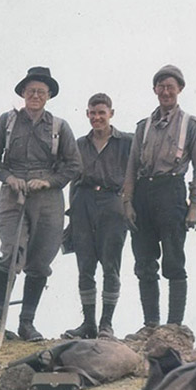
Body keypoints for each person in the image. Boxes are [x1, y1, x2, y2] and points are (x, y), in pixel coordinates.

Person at [0, 66, 82, 344]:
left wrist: (48, 181)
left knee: (41, 260)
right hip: (13, 195)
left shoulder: (60, 127)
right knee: (11, 253)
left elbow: (74, 165)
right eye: (31, 90)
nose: (35, 95)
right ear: (23, 93)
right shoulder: (7, 122)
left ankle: (27, 324)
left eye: (41, 91)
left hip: (48, 199)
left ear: (49, 96)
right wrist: (9, 177)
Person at [121, 65, 196, 337]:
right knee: (144, 261)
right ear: (155, 90)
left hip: (171, 191)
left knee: (173, 259)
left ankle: (173, 326)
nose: (166, 91)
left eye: (171, 86)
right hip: (143, 194)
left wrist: (194, 206)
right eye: (161, 86)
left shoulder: (191, 125)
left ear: (180, 89)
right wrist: (127, 203)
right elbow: (131, 167)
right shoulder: (143, 126)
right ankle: (150, 324)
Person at [61, 93, 134, 340]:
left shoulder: (126, 142)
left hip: (113, 202)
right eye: (92, 113)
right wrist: (72, 214)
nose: (97, 118)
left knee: (111, 264)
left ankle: (106, 324)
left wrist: (128, 205)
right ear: (87, 114)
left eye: (101, 113)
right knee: (85, 265)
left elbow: (136, 173)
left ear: (111, 113)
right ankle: (88, 323)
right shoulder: (78, 144)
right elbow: (71, 178)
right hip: (83, 202)